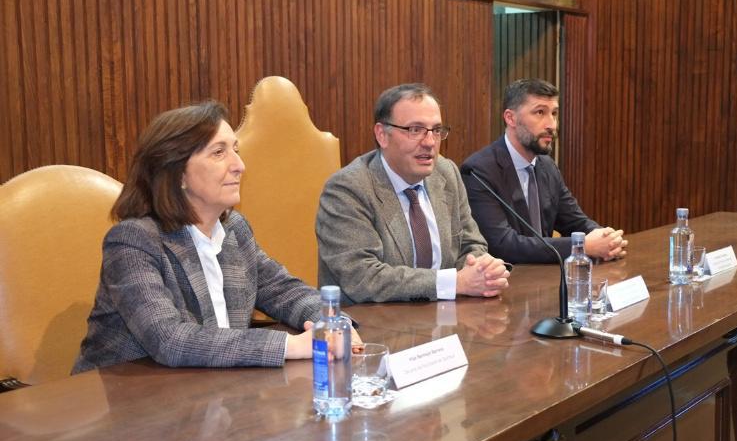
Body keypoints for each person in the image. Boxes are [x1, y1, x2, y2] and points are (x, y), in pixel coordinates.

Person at [73, 101, 361, 373]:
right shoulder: (134, 242)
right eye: (219, 152)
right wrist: (291, 345)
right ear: (178, 174)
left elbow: (283, 290)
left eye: (236, 149)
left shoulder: (234, 229)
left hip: (212, 394)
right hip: (127, 407)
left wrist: (332, 324)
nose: (239, 165)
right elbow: (170, 340)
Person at [315, 83, 510, 304]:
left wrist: (482, 269)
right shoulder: (348, 189)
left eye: (436, 130)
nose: (429, 143)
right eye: (415, 130)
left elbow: (470, 243)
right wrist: (455, 283)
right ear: (382, 135)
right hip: (371, 327)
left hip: (446, 321)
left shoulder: (445, 173)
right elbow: (362, 277)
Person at [461, 78, 627, 264]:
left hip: (548, 278)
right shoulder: (479, 171)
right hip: (507, 282)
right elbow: (503, 245)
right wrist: (581, 246)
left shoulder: (546, 166)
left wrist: (605, 238)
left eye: (554, 114)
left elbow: (574, 220)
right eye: (540, 112)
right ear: (510, 118)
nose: (552, 125)